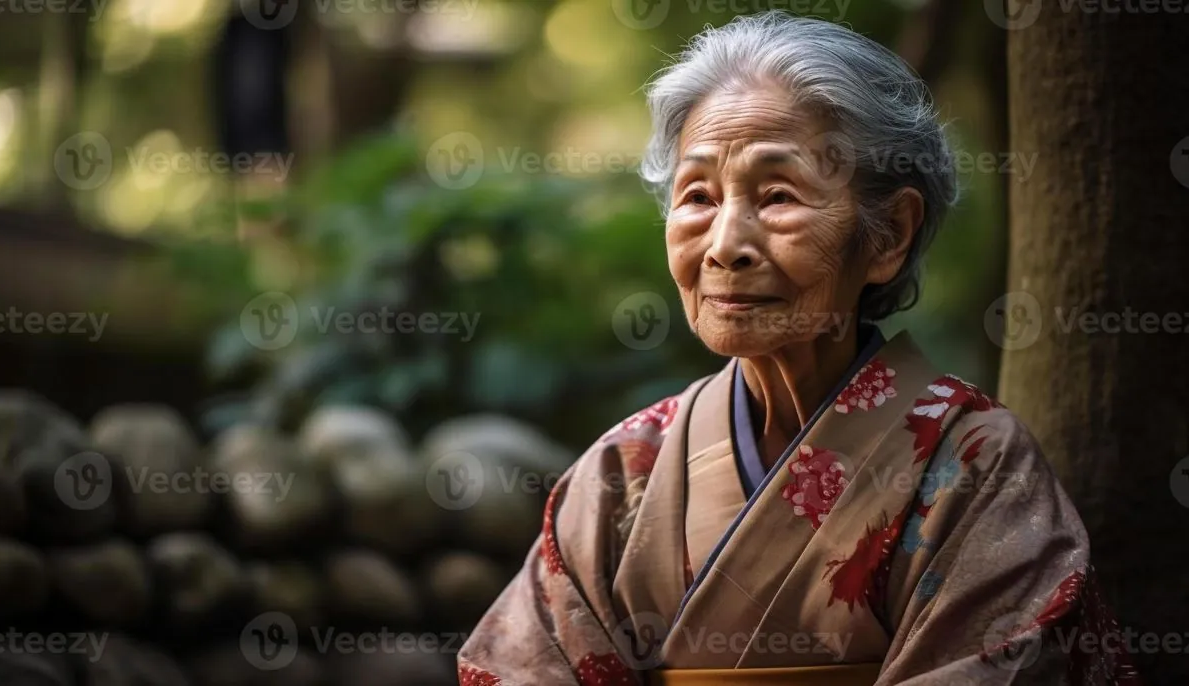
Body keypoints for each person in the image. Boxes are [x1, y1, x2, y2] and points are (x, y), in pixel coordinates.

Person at [457, 12, 1139, 685]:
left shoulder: (976, 468)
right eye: (698, 196)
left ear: (888, 235)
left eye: (778, 195)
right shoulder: (624, 471)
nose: (726, 245)